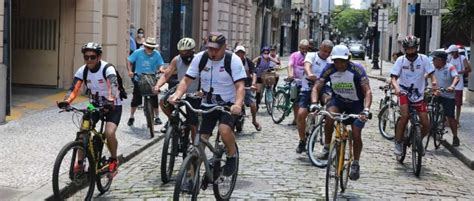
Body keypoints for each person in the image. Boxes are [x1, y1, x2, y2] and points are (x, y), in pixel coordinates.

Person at [168, 32, 246, 176]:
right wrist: (177, 95)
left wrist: (238, 104)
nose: (212, 52)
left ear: (225, 47)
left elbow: (240, 86)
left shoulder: (233, 60)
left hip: (228, 104)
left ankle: (231, 155)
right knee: (200, 142)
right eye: (210, 48)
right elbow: (186, 80)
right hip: (207, 104)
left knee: (224, 130)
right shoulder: (200, 58)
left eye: (216, 49)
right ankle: (191, 178)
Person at [310, 44, 372, 181]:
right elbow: (317, 87)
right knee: (329, 115)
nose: (339, 64)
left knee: (356, 132)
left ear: (348, 59)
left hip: (356, 105)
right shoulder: (329, 69)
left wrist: (366, 109)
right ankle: (327, 147)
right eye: (336, 61)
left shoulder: (357, 69)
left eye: (342, 61)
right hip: (338, 102)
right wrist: (314, 103)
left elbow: (367, 91)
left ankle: (355, 163)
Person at [59, 42, 122, 176]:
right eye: (86, 57)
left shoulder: (107, 68)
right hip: (94, 104)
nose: (89, 60)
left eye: (92, 57)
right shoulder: (83, 70)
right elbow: (74, 88)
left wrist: (110, 100)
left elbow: (114, 86)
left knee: (109, 132)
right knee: (83, 132)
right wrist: (66, 101)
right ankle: (80, 163)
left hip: (113, 105)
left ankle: (114, 160)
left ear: (99, 57)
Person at [390, 35, 438, 156]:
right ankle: (399, 141)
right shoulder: (400, 60)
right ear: (405, 49)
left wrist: (434, 83)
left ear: (416, 48)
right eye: (408, 49)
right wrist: (396, 88)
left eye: (413, 48)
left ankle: (418, 141)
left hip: (419, 94)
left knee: (426, 124)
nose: (410, 51)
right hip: (404, 93)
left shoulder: (424, 59)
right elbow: (394, 78)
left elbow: (432, 74)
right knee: (405, 116)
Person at [154, 37, 201, 135]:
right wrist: (157, 85)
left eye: (187, 52)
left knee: (193, 123)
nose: (184, 54)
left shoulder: (199, 60)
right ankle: (173, 120)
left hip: (194, 92)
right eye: (182, 52)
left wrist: (202, 91)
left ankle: (194, 147)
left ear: (193, 50)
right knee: (163, 102)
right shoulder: (176, 59)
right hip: (180, 90)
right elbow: (166, 74)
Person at [295, 40, 333, 153]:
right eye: (324, 50)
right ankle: (302, 140)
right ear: (320, 48)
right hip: (308, 88)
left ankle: (327, 141)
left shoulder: (330, 61)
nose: (326, 54)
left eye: (328, 52)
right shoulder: (311, 55)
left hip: (324, 88)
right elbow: (307, 66)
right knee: (301, 114)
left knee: (330, 104)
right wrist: (310, 74)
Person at [127, 37, 165, 126]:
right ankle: (131, 116)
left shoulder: (157, 54)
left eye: (152, 48)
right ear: (145, 46)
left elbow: (161, 64)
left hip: (151, 77)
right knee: (136, 98)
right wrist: (130, 71)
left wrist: (161, 69)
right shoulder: (137, 52)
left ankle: (157, 116)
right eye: (148, 47)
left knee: (154, 96)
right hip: (139, 77)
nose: (150, 50)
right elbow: (129, 61)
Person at [431, 51, 461, 146]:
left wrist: (452, 86)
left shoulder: (450, 67)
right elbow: (425, 75)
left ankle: (455, 136)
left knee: (450, 117)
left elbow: (456, 77)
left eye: (434, 59)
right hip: (436, 93)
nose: (433, 61)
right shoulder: (432, 67)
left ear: (440, 60)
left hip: (447, 95)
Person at [234, 45, 261, 131]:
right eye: (238, 53)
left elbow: (254, 74)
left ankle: (254, 121)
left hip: (247, 85)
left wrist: (253, 84)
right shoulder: (232, 61)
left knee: (253, 105)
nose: (240, 55)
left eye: (242, 53)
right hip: (235, 85)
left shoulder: (248, 62)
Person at [446, 44, 471, 127]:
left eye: (452, 53)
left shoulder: (462, 58)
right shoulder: (450, 59)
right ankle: (449, 120)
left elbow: (469, 69)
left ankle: (457, 120)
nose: (451, 54)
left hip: (459, 84)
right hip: (451, 83)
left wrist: (458, 72)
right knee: (449, 103)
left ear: (456, 52)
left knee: (458, 104)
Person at [287, 39, 310, 126]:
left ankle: (302, 118)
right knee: (295, 100)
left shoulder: (309, 56)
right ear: (299, 47)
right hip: (296, 80)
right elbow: (290, 65)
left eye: (306, 48)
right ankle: (296, 118)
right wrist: (290, 74)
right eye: (302, 48)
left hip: (306, 81)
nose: (304, 50)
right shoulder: (294, 55)